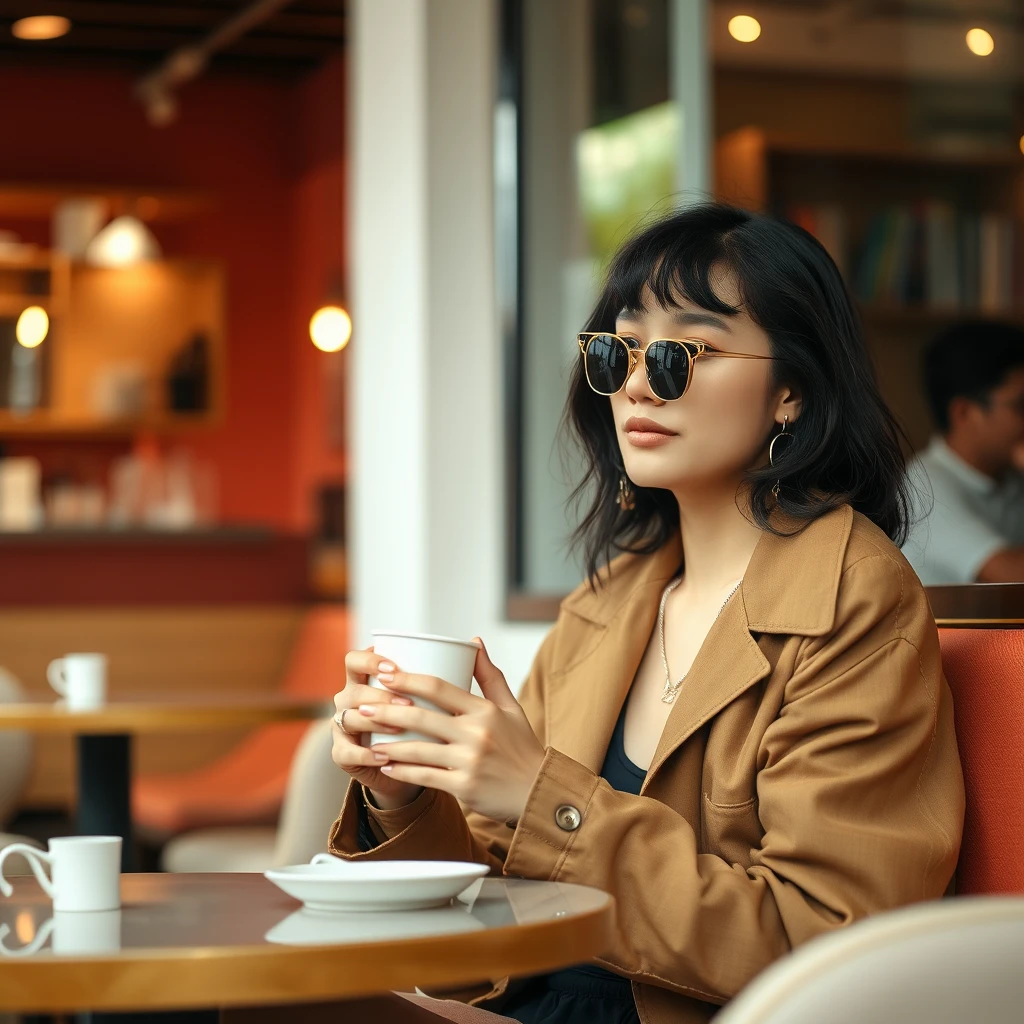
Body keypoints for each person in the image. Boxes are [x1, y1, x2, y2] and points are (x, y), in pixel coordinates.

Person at [329, 203, 965, 1024]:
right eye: (617, 351)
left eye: (681, 354)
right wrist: (403, 796)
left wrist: (543, 797)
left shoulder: (853, 599)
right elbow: (476, 935)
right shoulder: (611, 602)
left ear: (792, 393)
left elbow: (826, 946)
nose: (634, 382)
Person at [902, 320, 1024, 585]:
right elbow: (1010, 577)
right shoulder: (922, 488)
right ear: (964, 413)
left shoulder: (1012, 476)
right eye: (1020, 406)